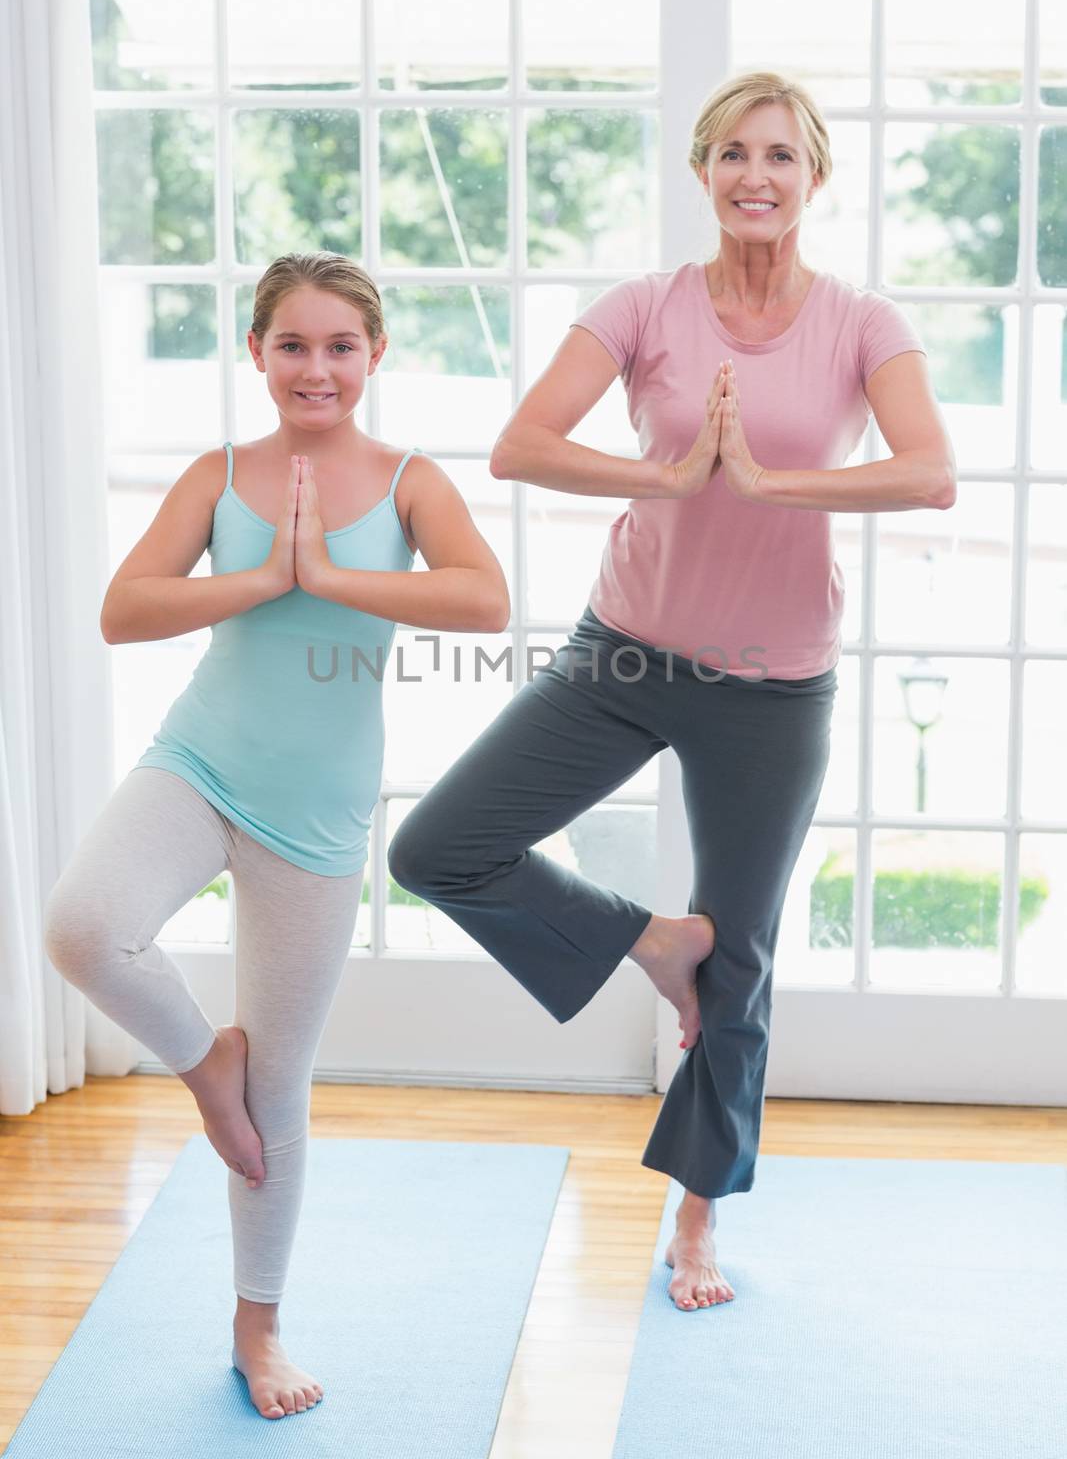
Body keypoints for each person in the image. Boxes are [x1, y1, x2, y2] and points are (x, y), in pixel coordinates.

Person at [388, 70, 957, 1313]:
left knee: (740, 958)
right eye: (731, 155)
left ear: (814, 177)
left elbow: (927, 474)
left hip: (772, 683)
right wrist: (671, 469)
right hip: (625, 652)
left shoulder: (862, 322)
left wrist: (765, 483)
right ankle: (650, 942)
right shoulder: (645, 305)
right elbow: (520, 444)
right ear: (700, 171)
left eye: (780, 157)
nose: (755, 176)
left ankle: (695, 1219)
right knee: (438, 845)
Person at [43, 251, 510, 1419]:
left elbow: (483, 599)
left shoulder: (408, 480)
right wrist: (263, 577)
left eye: (339, 346)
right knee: (85, 928)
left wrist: (329, 577)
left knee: (284, 1093)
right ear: (254, 352)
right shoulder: (221, 475)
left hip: (317, 809)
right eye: (291, 345)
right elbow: (123, 607)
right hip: (199, 762)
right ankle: (209, 1065)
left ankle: (259, 1329)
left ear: (375, 355)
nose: (316, 368)